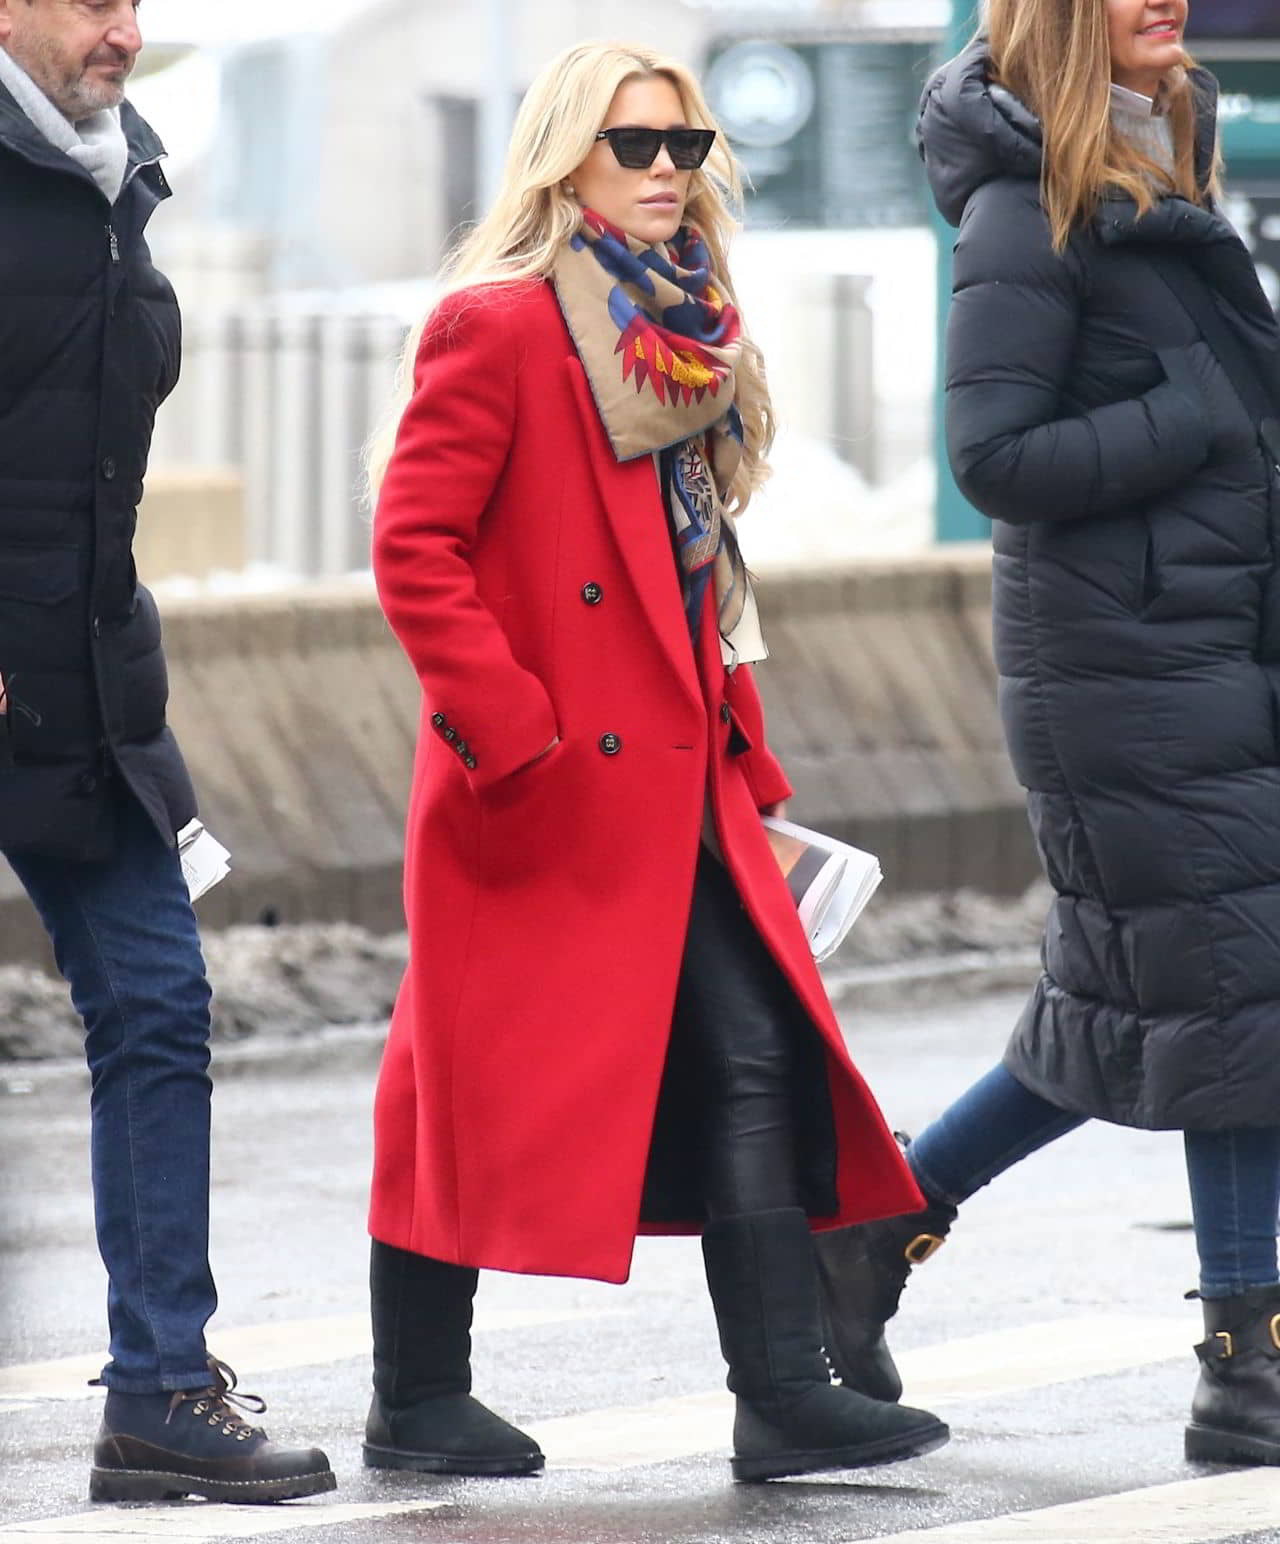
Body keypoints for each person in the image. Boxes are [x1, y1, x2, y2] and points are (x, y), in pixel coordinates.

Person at [365, 39, 951, 1485]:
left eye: (685, 145)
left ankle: (782, 1392)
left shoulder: (683, 328)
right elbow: (413, 548)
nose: (669, 172)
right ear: (568, 160)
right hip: (546, 784)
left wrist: (736, 744)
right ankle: (419, 1394)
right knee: (453, 1082)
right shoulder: (499, 326)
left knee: (749, 1046)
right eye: (638, 147)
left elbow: (691, 569)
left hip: (675, 773)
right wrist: (517, 736)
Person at [815, 0, 1280, 1470]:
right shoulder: (1028, 204)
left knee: (1149, 986)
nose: (1167, 1)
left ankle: (885, 1217)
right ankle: (1245, 1364)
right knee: (1232, 987)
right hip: (1121, 667)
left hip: (1203, 645)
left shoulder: (1161, 153)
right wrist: (1196, 414)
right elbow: (992, 452)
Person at [0, 0, 334, 1505]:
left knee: (157, 1005)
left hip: (85, 686)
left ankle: (158, 1396)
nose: (122, 28)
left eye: (137, 1)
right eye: (89, 0)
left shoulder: (118, 177)